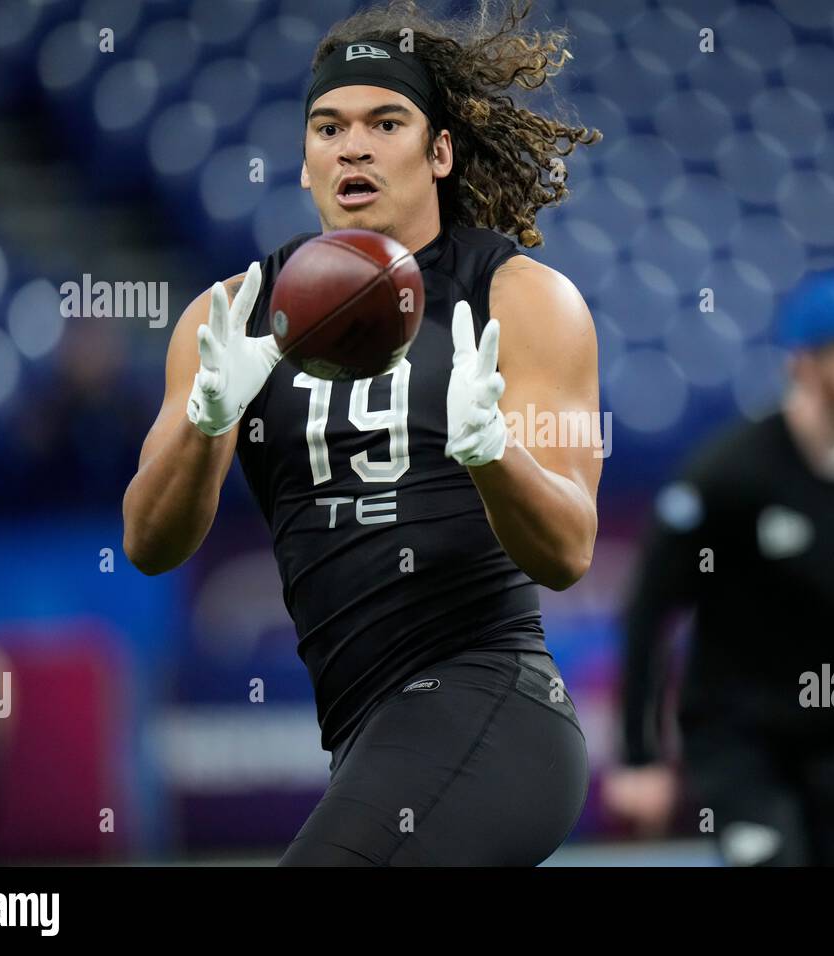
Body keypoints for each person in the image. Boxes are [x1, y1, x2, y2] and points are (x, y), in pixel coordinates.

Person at [123, 0, 602, 866]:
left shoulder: (520, 299)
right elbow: (148, 543)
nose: (354, 146)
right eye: (328, 126)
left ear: (440, 152)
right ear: (304, 163)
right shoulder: (231, 317)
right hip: (362, 731)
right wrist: (207, 421)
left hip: (495, 703)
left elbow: (567, 552)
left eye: (387, 121)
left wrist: (492, 454)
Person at [605, 268, 834, 866]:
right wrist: (641, 756)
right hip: (736, 740)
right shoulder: (728, 476)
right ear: (806, 364)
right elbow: (649, 610)